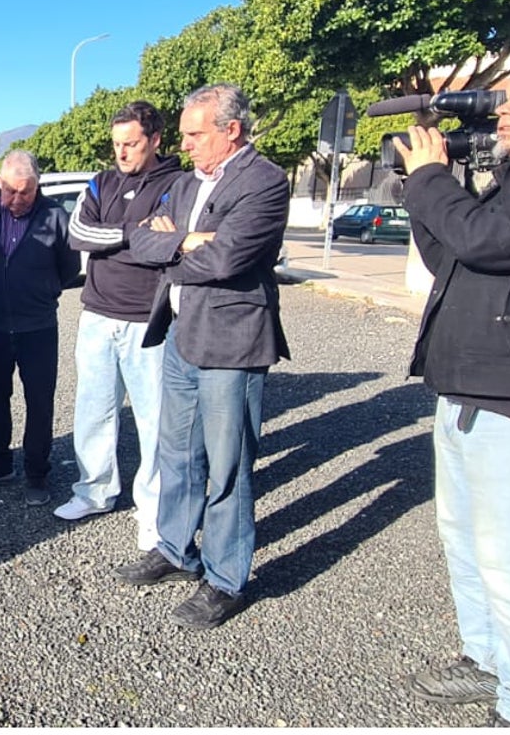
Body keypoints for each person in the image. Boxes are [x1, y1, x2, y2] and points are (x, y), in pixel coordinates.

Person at [115, 84, 289, 630]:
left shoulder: (264, 181)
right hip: (181, 335)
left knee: (227, 464)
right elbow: (137, 239)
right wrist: (188, 241)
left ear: (230, 129)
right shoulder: (187, 184)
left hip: (231, 344)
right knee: (177, 454)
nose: (184, 145)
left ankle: (225, 578)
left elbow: (228, 259)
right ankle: (174, 548)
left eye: (194, 134)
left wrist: (178, 246)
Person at [394, 63, 510, 728]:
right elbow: (452, 251)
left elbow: (483, 238)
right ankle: (485, 659)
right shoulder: (509, 183)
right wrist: (419, 188)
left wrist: (430, 180)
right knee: (466, 541)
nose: (503, 111)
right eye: (504, 99)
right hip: (465, 388)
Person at [54, 102, 185, 552]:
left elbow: (166, 243)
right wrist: (135, 233)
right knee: (93, 410)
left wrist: (135, 236)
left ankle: (153, 513)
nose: (122, 153)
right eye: (116, 144)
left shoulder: (178, 183)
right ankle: (94, 491)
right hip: (96, 314)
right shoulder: (101, 181)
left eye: (130, 144)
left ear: (155, 139)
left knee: (154, 419)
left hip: (147, 319)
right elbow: (78, 233)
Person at [0, 150, 80, 506]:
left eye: (25, 193)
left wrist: (39, 292)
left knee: (39, 403)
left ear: (37, 187)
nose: (17, 200)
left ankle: (36, 473)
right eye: (10, 192)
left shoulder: (56, 216)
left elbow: (69, 267)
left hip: (38, 328)